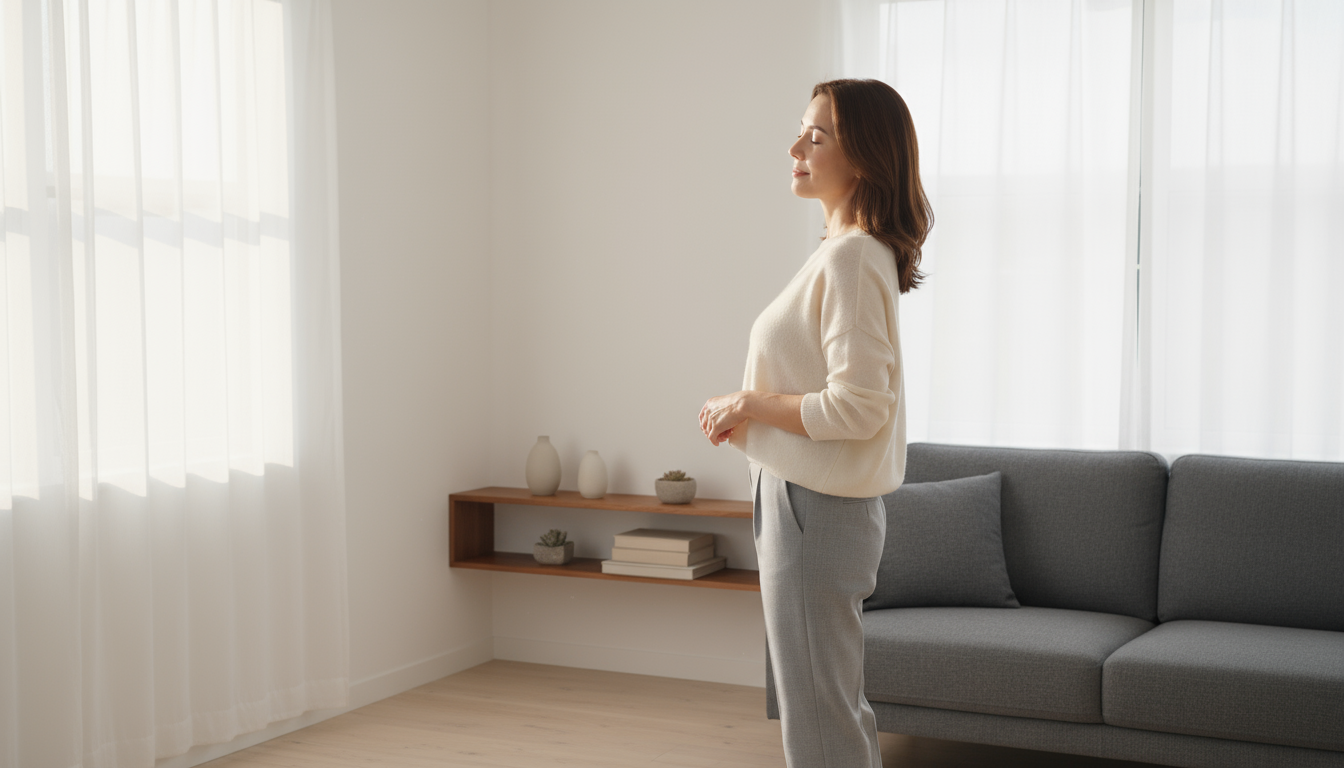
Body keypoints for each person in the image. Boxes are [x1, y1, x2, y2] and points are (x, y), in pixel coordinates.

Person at [698, 78, 932, 768]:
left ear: (863, 157)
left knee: (820, 712)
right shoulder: (848, 252)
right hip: (809, 503)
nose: (795, 145)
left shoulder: (854, 257)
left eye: (817, 135)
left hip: (814, 509)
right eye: (802, 130)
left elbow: (859, 406)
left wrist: (746, 404)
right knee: (829, 706)